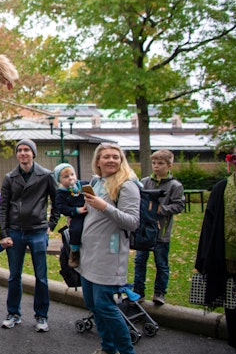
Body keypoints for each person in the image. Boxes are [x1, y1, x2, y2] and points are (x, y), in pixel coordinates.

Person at [78, 142, 140, 354]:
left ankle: (126, 351)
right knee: (94, 306)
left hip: (109, 256)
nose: (112, 160)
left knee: (106, 307)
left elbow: (132, 222)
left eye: (116, 156)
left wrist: (104, 207)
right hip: (89, 255)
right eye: (107, 157)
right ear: (98, 161)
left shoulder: (127, 185)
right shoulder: (97, 182)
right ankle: (108, 348)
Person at [0, 138, 59, 332]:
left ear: (33, 153)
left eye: (27, 150)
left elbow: (56, 201)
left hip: (38, 231)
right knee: (14, 276)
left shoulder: (46, 176)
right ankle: (13, 313)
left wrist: (51, 224)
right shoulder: (10, 177)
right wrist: (4, 233)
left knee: (41, 277)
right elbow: (4, 207)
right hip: (15, 231)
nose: (23, 153)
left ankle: (41, 316)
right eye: (20, 150)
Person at [195, 145, 236, 352]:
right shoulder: (222, 188)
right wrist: (204, 256)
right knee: (232, 298)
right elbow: (209, 224)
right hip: (228, 255)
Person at [133, 149, 185, 305]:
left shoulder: (175, 185)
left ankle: (159, 292)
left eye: (160, 163)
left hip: (161, 231)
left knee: (161, 263)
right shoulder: (145, 182)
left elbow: (179, 205)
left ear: (169, 165)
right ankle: (138, 291)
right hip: (143, 231)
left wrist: (161, 210)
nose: (156, 166)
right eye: (154, 163)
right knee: (140, 260)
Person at [53, 163, 88, 268]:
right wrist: (76, 210)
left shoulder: (82, 185)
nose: (70, 178)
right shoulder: (61, 193)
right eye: (66, 177)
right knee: (76, 229)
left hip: (90, 211)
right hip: (77, 215)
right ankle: (74, 251)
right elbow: (61, 208)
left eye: (72, 174)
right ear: (60, 180)